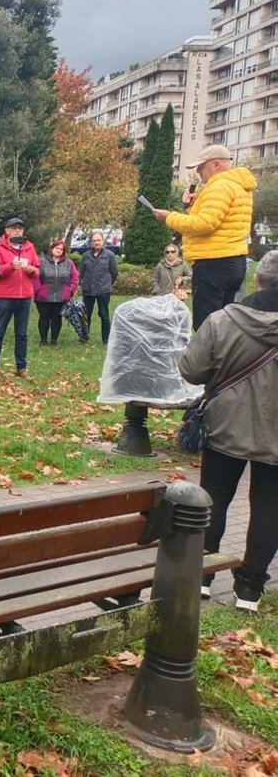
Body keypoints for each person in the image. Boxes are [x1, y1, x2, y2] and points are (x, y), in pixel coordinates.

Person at [179, 249, 278, 611]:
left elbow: (191, 370)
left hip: (224, 425)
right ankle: (249, 588)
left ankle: (203, 575)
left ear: (257, 280)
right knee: (270, 507)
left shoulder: (222, 321)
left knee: (215, 497)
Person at [153, 144, 257, 330]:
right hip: (233, 260)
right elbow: (219, 222)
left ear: (216, 165)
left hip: (213, 263)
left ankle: (209, 351)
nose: (198, 172)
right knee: (224, 324)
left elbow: (204, 224)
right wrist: (194, 206)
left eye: (201, 167)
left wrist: (169, 217)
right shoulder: (238, 185)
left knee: (205, 325)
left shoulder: (219, 186)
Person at [0, 216, 40, 379]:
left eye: (20, 228)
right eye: (14, 228)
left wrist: (32, 270)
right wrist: (10, 266)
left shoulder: (29, 247)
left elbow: (38, 270)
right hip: (4, 296)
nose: (18, 230)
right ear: (7, 231)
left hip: (24, 296)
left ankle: (21, 367)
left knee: (22, 334)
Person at [33, 239, 79, 346]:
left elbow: (75, 278)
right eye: (56, 248)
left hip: (61, 297)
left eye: (61, 249)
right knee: (44, 318)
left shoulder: (69, 263)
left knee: (57, 318)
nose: (58, 250)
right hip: (44, 297)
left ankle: (54, 340)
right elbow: (35, 278)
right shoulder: (42, 261)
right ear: (52, 249)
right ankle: (43, 340)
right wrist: (39, 290)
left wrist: (70, 290)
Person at [78, 231, 118, 344]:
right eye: (94, 241)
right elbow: (82, 273)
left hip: (103, 290)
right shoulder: (85, 256)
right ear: (91, 242)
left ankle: (106, 339)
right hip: (88, 290)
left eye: (98, 240)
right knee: (86, 315)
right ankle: (84, 336)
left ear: (103, 241)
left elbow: (114, 273)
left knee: (104, 315)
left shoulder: (110, 255)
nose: (96, 242)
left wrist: (108, 284)